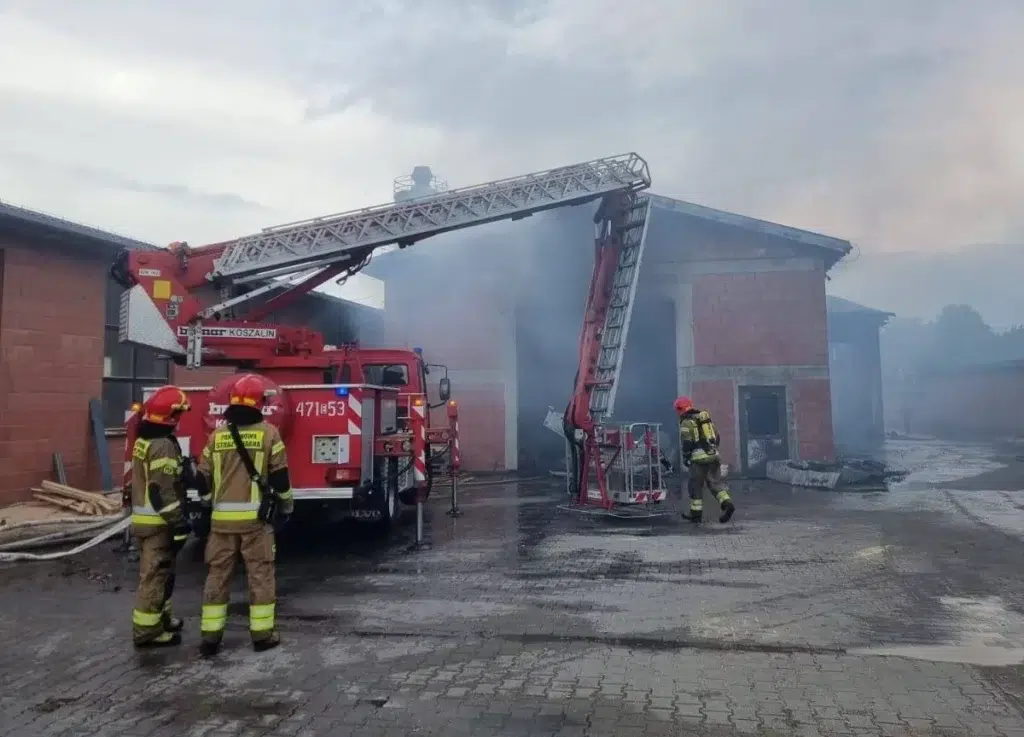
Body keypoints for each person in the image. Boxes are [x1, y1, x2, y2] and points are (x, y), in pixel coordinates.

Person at [194, 374, 294, 656]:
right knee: (260, 576)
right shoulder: (269, 433)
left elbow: (202, 480)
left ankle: (210, 638)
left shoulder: (217, 435)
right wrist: (286, 507)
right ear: (260, 403)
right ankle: (262, 635)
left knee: (217, 577)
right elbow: (280, 478)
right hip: (256, 523)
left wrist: (205, 505)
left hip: (221, 523)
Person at [129, 386, 193, 648]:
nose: (179, 419)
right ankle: (147, 632)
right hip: (159, 524)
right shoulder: (162, 446)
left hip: (145, 521)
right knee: (154, 577)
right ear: (169, 415)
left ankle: (163, 618)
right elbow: (161, 492)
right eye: (177, 413)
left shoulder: (144, 440)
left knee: (164, 573)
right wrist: (178, 522)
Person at [675, 396, 736, 524]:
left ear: (680, 409)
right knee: (715, 484)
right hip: (714, 456)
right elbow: (717, 437)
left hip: (698, 460)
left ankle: (696, 515)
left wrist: (686, 458)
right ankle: (727, 504)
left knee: (695, 486)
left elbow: (687, 443)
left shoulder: (686, 423)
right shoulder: (706, 421)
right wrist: (711, 451)